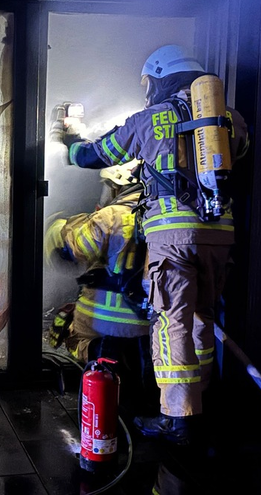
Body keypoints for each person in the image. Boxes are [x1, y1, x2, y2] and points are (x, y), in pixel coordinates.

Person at [59, 44, 249, 444]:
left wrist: (71, 141)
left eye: (150, 82)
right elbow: (241, 152)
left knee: (171, 323)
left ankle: (176, 418)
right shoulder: (228, 120)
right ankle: (200, 406)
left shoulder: (150, 119)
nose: (147, 90)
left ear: (161, 79)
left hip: (173, 239)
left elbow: (95, 154)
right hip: (220, 236)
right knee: (203, 319)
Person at [45, 161, 157, 413]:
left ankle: (99, 363)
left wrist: (58, 228)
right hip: (148, 321)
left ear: (117, 186)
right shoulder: (159, 214)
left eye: (107, 186)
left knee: (76, 339)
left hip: (105, 322)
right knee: (143, 365)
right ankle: (143, 408)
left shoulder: (111, 215)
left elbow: (72, 251)